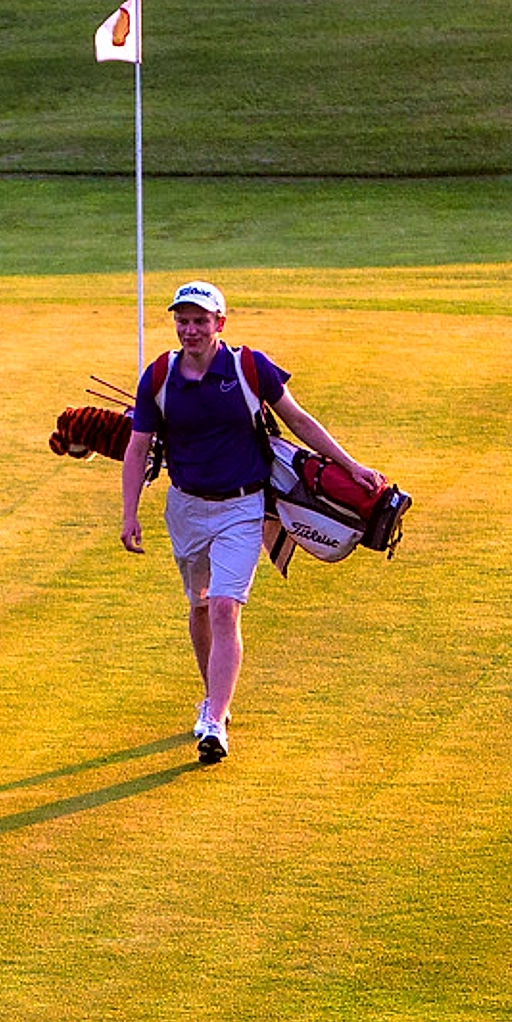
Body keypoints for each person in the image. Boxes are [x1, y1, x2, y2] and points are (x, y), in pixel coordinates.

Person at [117, 280, 365, 765]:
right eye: (182, 320)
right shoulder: (159, 376)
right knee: (201, 606)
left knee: (226, 607)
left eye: (200, 320)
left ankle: (214, 721)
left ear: (220, 324)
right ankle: (214, 696)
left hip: (242, 507)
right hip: (186, 507)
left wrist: (350, 465)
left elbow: (299, 420)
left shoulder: (249, 367)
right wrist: (129, 513)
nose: (190, 329)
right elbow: (137, 445)